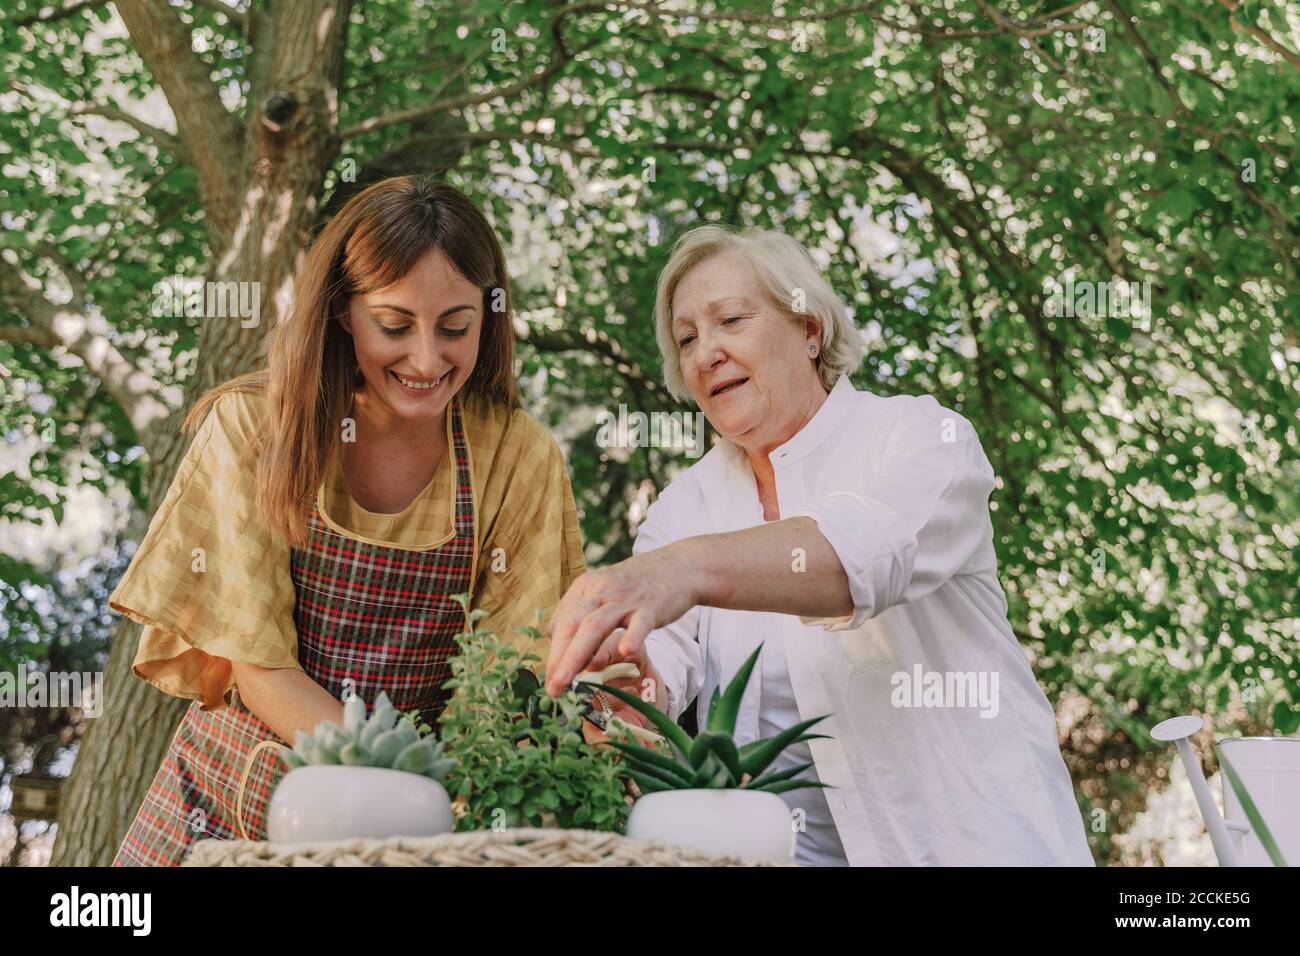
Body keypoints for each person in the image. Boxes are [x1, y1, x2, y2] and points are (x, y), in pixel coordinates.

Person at [545, 224, 1094, 866]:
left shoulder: (924, 437)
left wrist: (685, 569)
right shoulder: (682, 510)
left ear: (811, 330)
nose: (705, 353)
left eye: (731, 320)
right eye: (687, 339)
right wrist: (623, 682)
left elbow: (858, 558)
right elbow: (655, 666)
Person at [111, 177, 585, 865]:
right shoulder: (252, 429)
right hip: (235, 800)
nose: (427, 359)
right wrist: (408, 784)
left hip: (414, 825)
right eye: (394, 325)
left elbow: (507, 681)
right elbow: (261, 668)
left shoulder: (517, 453)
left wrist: (442, 807)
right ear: (340, 312)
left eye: (455, 327)